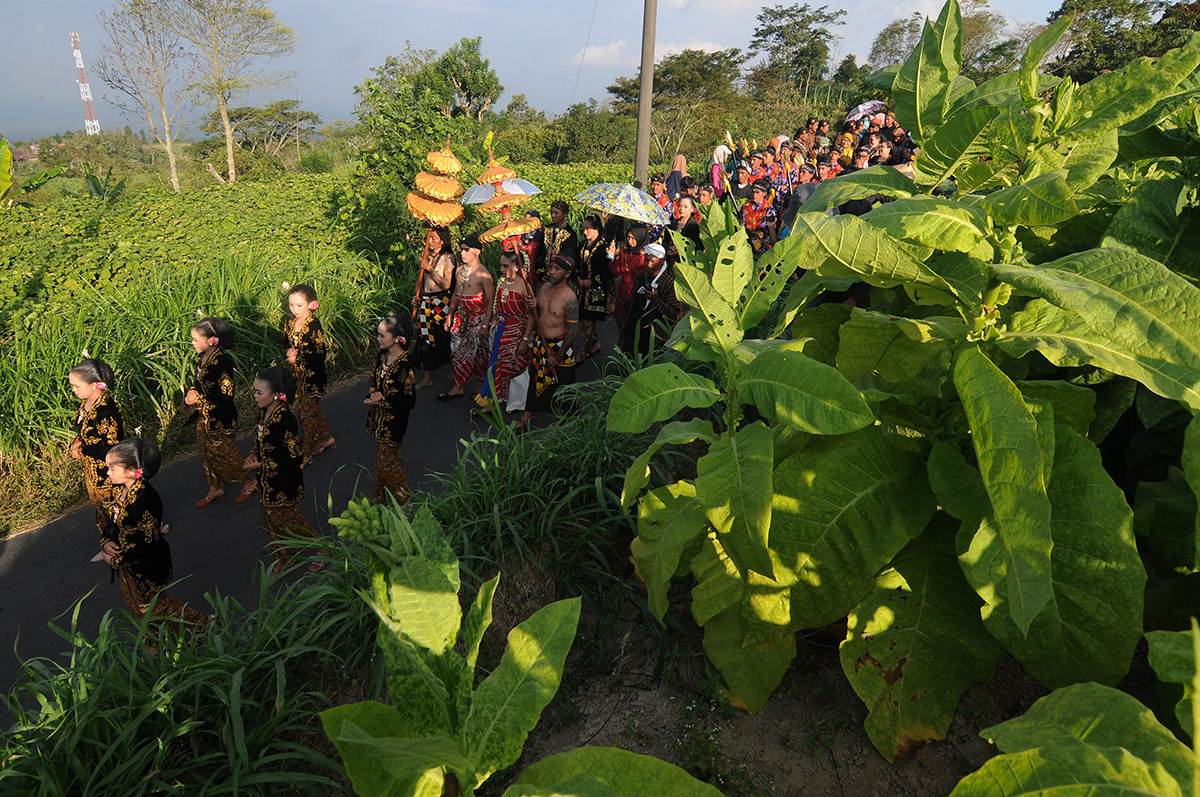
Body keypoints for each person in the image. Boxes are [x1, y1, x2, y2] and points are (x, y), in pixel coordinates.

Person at [96, 437, 210, 649]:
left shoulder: (145, 499)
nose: (107, 473)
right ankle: (154, 639)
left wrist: (117, 559)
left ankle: (202, 625)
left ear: (132, 470)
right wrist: (105, 542)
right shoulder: (118, 489)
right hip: (126, 563)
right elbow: (111, 523)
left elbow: (147, 543)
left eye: (112, 468)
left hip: (146, 565)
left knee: (156, 606)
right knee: (140, 607)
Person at [243, 366, 324, 576]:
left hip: (284, 482)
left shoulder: (285, 421)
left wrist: (261, 464)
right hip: (267, 481)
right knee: (271, 520)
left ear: (277, 395)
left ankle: (322, 546)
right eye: (255, 391)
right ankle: (284, 556)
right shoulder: (264, 413)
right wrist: (254, 454)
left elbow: (295, 457)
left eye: (259, 392)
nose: (255, 396)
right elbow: (260, 442)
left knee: (289, 520)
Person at [186, 317, 256, 509]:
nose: (192, 343)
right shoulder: (202, 358)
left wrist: (199, 398)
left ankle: (248, 480)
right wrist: (193, 390)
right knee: (205, 452)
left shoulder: (222, 361)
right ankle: (214, 486)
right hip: (204, 416)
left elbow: (226, 393)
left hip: (221, 416)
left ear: (211, 340)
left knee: (225, 452)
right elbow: (198, 381)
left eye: (195, 339)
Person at [522, 253, 580, 426]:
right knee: (535, 379)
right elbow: (535, 314)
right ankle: (526, 418)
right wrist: (531, 305)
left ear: (567, 274)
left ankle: (568, 421)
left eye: (557, 269)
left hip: (561, 347)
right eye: (551, 268)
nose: (552, 272)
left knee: (564, 385)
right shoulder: (544, 287)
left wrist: (558, 356)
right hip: (542, 344)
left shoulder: (570, 299)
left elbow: (572, 332)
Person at [69, 358, 124, 534]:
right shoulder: (86, 403)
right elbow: (81, 428)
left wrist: (82, 450)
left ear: (94, 384)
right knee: (99, 506)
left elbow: (110, 446)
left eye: (77, 386)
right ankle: (108, 540)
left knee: (117, 506)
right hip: (92, 469)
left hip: (108, 470)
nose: (73, 390)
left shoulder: (106, 410)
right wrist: (77, 441)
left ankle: (128, 540)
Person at [365, 315, 416, 504]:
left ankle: (402, 502)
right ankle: (385, 499)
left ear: (396, 338)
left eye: (381, 336)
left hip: (394, 423)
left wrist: (381, 401)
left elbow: (409, 400)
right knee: (386, 460)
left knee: (387, 463)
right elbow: (373, 380)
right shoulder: (382, 356)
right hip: (378, 420)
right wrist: (373, 394)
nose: (378, 339)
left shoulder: (405, 365)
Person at [284, 284, 334, 468]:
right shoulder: (290, 323)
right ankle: (326, 438)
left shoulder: (314, 326)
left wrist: (298, 358)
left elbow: (319, 354)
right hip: (298, 377)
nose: (295, 309)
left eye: (299, 305)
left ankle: (306, 451)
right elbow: (285, 343)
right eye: (291, 305)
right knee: (308, 411)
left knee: (306, 415)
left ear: (311, 305)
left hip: (314, 378)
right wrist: (289, 352)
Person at [440, 232, 495, 399]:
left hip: (478, 320)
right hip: (460, 318)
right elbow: (456, 294)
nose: (462, 253)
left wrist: (485, 324)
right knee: (457, 351)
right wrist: (450, 315)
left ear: (477, 251)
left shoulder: (483, 274)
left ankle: (480, 385)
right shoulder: (460, 270)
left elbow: (491, 300)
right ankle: (458, 386)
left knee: (479, 354)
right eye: (461, 250)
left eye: (466, 250)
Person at [480, 247, 535, 409]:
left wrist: (525, 339)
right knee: (496, 364)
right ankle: (495, 399)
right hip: (500, 330)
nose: (502, 270)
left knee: (512, 365)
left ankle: (515, 402)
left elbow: (532, 315)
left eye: (506, 266)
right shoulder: (503, 283)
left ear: (517, 267)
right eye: (501, 266)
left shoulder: (525, 286)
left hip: (516, 332)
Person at [622, 242, 684, 355]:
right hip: (634, 332)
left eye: (652, 261)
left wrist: (656, 300)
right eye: (646, 260)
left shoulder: (668, 284)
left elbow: (673, 314)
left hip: (654, 338)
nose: (648, 265)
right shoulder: (640, 276)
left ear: (661, 261)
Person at [414, 227, 454, 390]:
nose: (430, 241)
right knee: (425, 338)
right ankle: (427, 377)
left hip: (441, 301)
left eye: (434, 238)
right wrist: (416, 296)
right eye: (429, 238)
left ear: (443, 240)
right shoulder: (426, 256)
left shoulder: (448, 258)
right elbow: (422, 282)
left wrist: (430, 268)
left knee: (444, 336)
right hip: (425, 300)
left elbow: (446, 284)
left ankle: (455, 370)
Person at [577, 214, 609, 359]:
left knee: (588, 319)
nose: (585, 232)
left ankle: (583, 350)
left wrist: (592, 281)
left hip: (596, 290)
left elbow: (606, 271)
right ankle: (594, 343)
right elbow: (578, 263)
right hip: (583, 288)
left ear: (597, 229)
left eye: (588, 229)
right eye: (584, 229)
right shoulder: (583, 245)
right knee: (586, 318)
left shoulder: (603, 247)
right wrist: (578, 276)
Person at [608, 225, 648, 330]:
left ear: (640, 238)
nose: (629, 241)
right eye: (628, 237)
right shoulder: (625, 252)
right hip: (622, 294)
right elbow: (616, 272)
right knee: (621, 324)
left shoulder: (645, 257)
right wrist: (611, 257)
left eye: (633, 238)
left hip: (636, 295)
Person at [742, 179, 777, 255]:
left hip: (763, 245)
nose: (754, 195)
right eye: (753, 192)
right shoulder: (746, 206)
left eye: (757, 193)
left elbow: (772, 231)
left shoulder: (768, 209)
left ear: (764, 193)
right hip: (746, 243)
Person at [543, 199, 578, 267]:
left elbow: (568, 257)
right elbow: (540, 252)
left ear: (565, 214)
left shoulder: (570, 234)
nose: (553, 215)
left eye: (556, 213)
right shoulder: (547, 230)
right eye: (551, 212)